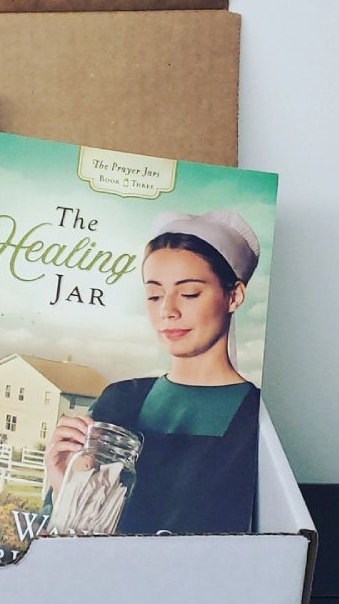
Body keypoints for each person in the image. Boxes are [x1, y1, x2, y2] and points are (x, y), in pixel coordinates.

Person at [45, 210, 262, 535]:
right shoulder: (119, 401)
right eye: (154, 295)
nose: (167, 311)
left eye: (189, 293)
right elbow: (79, 546)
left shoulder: (257, 418)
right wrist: (66, 490)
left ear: (234, 296)